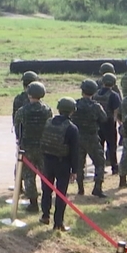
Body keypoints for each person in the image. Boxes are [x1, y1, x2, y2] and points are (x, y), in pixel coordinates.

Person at [39, 97, 80, 232]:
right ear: (72, 111)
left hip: (47, 161)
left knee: (46, 190)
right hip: (63, 164)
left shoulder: (48, 122)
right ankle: (58, 223)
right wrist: (75, 170)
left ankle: (45, 215)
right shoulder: (72, 128)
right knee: (61, 193)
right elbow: (74, 151)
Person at [14, 82, 53, 214]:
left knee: (29, 176)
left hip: (28, 147)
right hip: (43, 147)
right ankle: (46, 203)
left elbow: (17, 128)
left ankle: (33, 203)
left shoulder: (22, 111)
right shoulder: (47, 110)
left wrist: (20, 141)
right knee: (45, 175)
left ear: (29, 94)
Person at [71, 79, 108, 197]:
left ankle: (80, 188)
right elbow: (104, 118)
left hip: (77, 137)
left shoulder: (75, 104)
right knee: (99, 162)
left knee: (79, 164)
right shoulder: (96, 106)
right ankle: (97, 187)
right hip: (92, 137)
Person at [93, 73, 122, 175]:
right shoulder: (114, 95)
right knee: (112, 146)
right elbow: (116, 110)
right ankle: (114, 167)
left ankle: (100, 168)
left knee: (99, 146)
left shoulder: (96, 94)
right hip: (109, 123)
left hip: (97, 122)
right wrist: (115, 121)